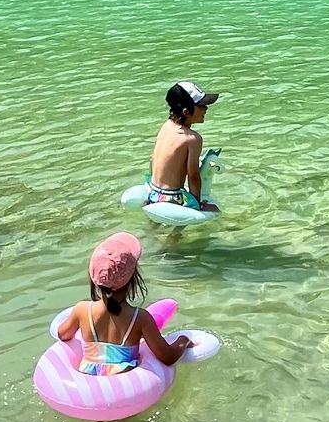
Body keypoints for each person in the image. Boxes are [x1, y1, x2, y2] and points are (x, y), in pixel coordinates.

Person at [54, 233, 191, 375]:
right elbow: (167, 357)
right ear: (133, 278)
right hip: (124, 381)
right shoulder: (140, 318)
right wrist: (183, 340)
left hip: (89, 383)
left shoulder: (81, 310)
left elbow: (62, 334)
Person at [148, 81, 220, 213]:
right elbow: (193, 176)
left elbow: (153, 160)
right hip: (171, 198)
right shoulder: (192, 139)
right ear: (187, 112)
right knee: (215, 210)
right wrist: (197, 205)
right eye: (202, 105)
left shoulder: (166, 126)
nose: (206, 109)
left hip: (152, 192)